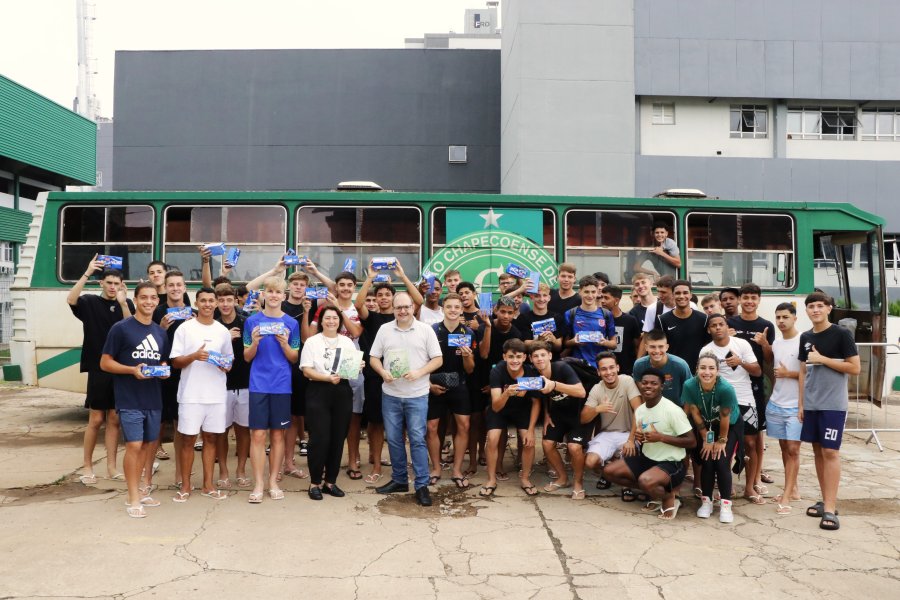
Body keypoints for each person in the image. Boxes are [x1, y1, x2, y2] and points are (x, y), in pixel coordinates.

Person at [99, 281, 169, 518]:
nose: (149, 302)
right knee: (134, 445)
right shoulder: (121, 328)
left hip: (153, 397)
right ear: (136, 300)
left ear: (157, 302)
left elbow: (161, 362)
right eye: (144, 298)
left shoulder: (161, 333)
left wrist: (163, 369)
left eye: (153, 298)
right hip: (129, 398)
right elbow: (105, 362)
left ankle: (140, 490)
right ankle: (133, 498)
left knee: (149, 446)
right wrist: (131, 370)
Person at [369, 292, 443, 506]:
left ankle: (421, 485)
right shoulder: (385, 330)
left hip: (417, 395)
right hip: (391, 394)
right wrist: (383, 372)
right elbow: (374, 357)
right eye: (398, 307)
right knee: (393, 439)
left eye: (406, 307)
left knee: (418, 440)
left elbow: (438, 359)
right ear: (393, 309)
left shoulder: (425, 330)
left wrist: (420, 373)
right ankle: (400, 479)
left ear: (413, 307)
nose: (402, 311)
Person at [355, 261, 425, 484]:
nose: (383, 297)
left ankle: (402, 466)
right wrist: (370, 278)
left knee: (403, 427)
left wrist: (403, 275)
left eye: (388, 294)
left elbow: (419, 300)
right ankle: (376, 463)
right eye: (380, 294)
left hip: (405, 378)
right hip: (378, 377)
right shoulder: (373, 318)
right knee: (376, 423)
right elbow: (358, 305)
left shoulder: (404, 318)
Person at [67, 256, 133, 484]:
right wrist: (87, 272)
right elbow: (71, 299)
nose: (113, 287)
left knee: (114, 419)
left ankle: (112, 467)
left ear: (122, 285)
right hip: (98, 368)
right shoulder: (89, 302)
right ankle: (87, 465)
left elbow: (130, 327)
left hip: (120, 368)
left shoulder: (126, 304)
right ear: (101, 284)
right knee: (95, 419)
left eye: (117, 284)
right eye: (109, 283)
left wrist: (125, 302)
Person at [798, 292, 860, 531]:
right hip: (812, 404)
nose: (815, 310)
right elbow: (803, 372)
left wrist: (823, 359)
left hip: (833, 404)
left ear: (829, 309)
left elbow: (854, 368)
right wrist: (802, 404)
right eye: (811, 306)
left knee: (830, 453)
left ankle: (832, 510)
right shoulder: (805, 336)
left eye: (820, 306)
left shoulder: (841, 334)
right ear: (807, 311)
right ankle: (825, 500)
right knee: (817, 452)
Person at [603, 368, 696, 520]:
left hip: (671, 463)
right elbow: (646, 435)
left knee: (646, 481)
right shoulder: (640, 410)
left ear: (662, 387)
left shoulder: (672, 410)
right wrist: (639, 437)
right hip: (648, 458)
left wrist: (660, 437)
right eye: (645, 383)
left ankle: (668, 497)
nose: (648, 386)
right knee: (609, 471)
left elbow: (692, 442)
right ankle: (654, 491)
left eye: (654, 383)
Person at [169, 287, 233, 502]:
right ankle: (186, 486)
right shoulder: (185, 329)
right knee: (187, 441)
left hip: (215, 395)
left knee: (211, 439)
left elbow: (229, 361)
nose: (207, 304)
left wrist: (225, 365)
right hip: (191, 395)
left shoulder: (223, 331)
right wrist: (194, 356)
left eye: (211, 300)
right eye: (203, 300)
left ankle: (208, 485)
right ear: (196, 303)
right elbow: (176, 362)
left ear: (216, 304)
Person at [242, 276, 301, 503]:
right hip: (258, 384)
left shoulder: (291, 324)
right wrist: (255, 342)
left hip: (281, 385)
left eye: (278, 292)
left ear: (284, 296)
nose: (274, 295)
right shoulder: (251, 322)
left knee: (278, 435)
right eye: (270, 291)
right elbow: (247, 357)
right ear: (263, 294)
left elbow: (294, 358)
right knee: (257, 434)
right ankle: (258, 484)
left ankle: (273, 482)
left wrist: (285, 344)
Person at [700, 314, 764, 504]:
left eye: (721, 324)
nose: (718, 328)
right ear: (708, 330)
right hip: (718, 404)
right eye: (713, 325)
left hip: (744, 400)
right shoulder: (706, 350)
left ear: (727, 326)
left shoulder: (741, 345)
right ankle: (725, 487)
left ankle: (750, 487)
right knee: (723, 447)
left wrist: (740, 362)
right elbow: (703, 376)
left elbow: (758, 371)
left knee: (751, 444)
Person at [300, 305, 360, 500]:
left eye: (335, 318)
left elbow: (351, 369)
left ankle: (330, 482)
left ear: (340, 321)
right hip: (319, 390)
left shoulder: (347, 342)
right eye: (327, 318)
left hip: (342, 391)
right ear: (321, 320)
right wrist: (326, 378)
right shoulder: (312, 342)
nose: (331, 321)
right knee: (319, 438)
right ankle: (315, 482)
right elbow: (306, 370)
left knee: (337, 437)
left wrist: (358, 366)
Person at [728, 283, 776, 490]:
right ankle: (724, 479)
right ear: (740, 300)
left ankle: (755, 479)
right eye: (745, 297)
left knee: (755, 436)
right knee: (727, 434)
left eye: (753, 298)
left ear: (759, 300)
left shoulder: (766, 325)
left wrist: (765, 344)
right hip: (731, 384)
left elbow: (769, 361)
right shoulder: (729, 322)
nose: (749, 301)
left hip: (755, 385)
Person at [683, 352, 740, 523]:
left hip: (729, 425)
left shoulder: (725, 389)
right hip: (706, 425)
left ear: (718, 371)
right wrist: (707, 440)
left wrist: (721, 441)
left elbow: (725, 418)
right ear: (696, 369)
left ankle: (725, 504)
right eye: (703, 368)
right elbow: (694, 412)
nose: (706, 372)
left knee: (721, 460)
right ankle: (706, 501)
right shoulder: (690, 385)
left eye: (711, 368)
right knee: (707, 459)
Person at [427, 293, 476, 489]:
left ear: (461, 309)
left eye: (457, 307)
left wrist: (466, 356)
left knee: (463, 425)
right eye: (449, 307)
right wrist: (430, 385)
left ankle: (456, 469)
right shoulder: (432, 330)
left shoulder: (468, 333)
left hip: (459, 384)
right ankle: (436, 468)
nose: (453, 310)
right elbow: (424, 361)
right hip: (435, 384)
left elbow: (471, 368)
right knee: (431, 427)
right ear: (443, 308)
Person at [482, 339, 541, 497]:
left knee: (529, 442)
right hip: (500, 408)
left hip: (522, 409)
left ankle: (525, 478)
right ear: (504, 357)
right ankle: (491, 479)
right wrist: (507, 393)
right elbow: (495, 406)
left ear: (524, 358)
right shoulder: (497, 371)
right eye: (511, 356)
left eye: (518, 357)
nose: (515, 360)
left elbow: (536, 403)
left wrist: (530, 430)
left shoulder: (531, 372)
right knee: (492, 438)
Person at [151, 270, 194, 482]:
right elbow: (150, 343)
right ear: (165, 288)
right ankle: (147, 469)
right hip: (163, 373)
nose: (176, 288)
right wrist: (161, 328)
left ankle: (180, 472)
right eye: (171, 285)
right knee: (157, 421)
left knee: (180, 424)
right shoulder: (158, 312)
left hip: (185, 373)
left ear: (185, 288)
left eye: (179, 284)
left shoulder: (192, 313)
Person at [531, 342, 588, 499]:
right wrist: (547, 414)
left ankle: (578, 483)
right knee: (547, 444)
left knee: (574, 447)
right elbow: (543, 396)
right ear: (531, 359)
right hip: (558, 413)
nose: (539, 359)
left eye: (543, 355)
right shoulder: (535, 376)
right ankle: (562, 478)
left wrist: (554, 384)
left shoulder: (562, 368)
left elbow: (581, 392)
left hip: (579, 413)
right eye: (535, 356)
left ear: (550, 355)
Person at [581, 352, 641, 491]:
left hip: (628, 432)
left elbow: (639, 411)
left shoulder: (627, 381)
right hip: (607, 434)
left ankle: (626, 486)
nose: (608, 372)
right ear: (598, 371)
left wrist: (631, 440)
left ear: (618, 368)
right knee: (590, 462)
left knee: (628, 454)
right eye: (604, 369)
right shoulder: (597, 389)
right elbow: (583, 418)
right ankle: (607, 473)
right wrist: (597, 409)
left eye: (611, 367)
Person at [214, 283, 251, 489]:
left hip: (245, 384)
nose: (225, 304)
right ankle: (224, 471)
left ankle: (241, 470)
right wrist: (225, 338)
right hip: (222, 386)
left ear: (236, 301)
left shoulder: (246, 323)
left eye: (229, 300)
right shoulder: (214, 326)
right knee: (222, 430)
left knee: (243, 430)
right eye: (221, 300)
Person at [767, 302, 803, 515]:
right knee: (783, 449)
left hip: (794, 407)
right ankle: (794, 488)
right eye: (778, 317)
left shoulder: (803, 341)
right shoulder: (777, 343)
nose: (781, 321)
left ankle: (787, 496)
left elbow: (811, 376)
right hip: (776, 403)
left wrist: (790, 374)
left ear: (794, 318)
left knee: (793, 449)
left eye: (785, 317)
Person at [563, 275, 617, 368]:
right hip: (578, 364)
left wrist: (604, 342)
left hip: (600, 365)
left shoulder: (606, 314)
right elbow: (565, 343)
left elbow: (614, 344)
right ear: (580, 292)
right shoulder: (570, 314)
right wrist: (574, 341)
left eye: (593, 292)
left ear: (597, 293)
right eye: (586, 292)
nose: (590, 296)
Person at [655, 280, 709, 370]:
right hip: (672, 371)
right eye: (678, 293)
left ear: (691, 295)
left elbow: (709, 346)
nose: (681, 296)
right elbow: (658, 347)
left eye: (685, 293)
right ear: (672, 295)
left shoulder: (704, 319)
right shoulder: (662, 320)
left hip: (697, 372)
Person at [631, 330, 692, 407]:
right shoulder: (639, 365)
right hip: (652, 409)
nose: (657, 351)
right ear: (646, 347)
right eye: (652, 347)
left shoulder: (680, 365)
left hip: (677, 409)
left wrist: (684, 416)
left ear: (667, 347)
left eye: (661, 346)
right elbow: (642, 392)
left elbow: (690, 392)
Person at [513, 283, 565, 356]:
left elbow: (558, 347)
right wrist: (538, 340)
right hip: (531, 361)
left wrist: (553, 339)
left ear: (549, 298)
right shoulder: (523, 318)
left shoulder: (557, 317)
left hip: (553, 361)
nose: (541, 299)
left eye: (545, 295)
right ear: (531, 297)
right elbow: (524, 344)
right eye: (537, 296)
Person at [600, 285, 640, 375]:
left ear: (616, 301)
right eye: (601, 297)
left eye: (606, 298)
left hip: (626, 370)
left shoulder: (630, 320)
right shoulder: (597, 320)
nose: (602, 301)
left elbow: (637, 345)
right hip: (604, 370)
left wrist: (636, 367)